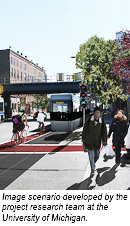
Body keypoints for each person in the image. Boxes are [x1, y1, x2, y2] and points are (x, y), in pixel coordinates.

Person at [82, 106, 107, 176]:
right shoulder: (89, 120)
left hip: (97, 142)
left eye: (99, 112)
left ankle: (93, 163)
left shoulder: (102, 122)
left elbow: (104, 132)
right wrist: (83, 139)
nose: (97, 114)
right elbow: (85, 129)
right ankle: (93, 169)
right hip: (89, 141)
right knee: (91, 156)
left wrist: (104, 141)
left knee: (97, 155)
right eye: (96, 112)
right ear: (94, 113)